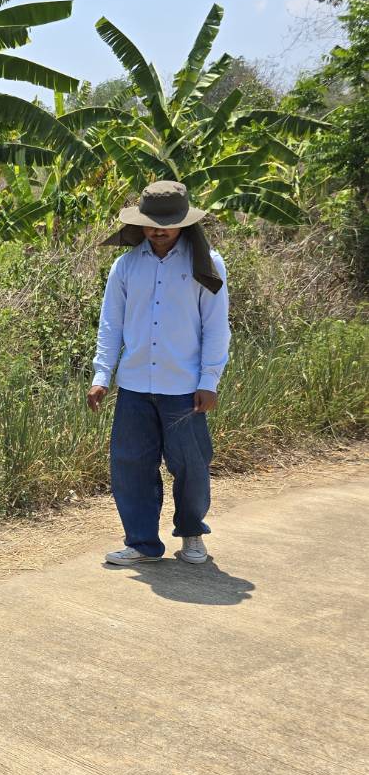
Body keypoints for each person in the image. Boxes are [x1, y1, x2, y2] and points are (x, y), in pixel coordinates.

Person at [89, 180, 230, 566]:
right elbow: (110, 325)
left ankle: (191, 533)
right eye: (152, 224)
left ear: (184, 222)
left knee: (191, 466)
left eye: (167, 224)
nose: (158, 231)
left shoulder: (206, 264)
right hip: (134, 385)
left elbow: (216, 327)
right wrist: (101, 376)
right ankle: (142, 543)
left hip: (184, 387)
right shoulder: (126, 265)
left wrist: (209, 381)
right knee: (131, 465)